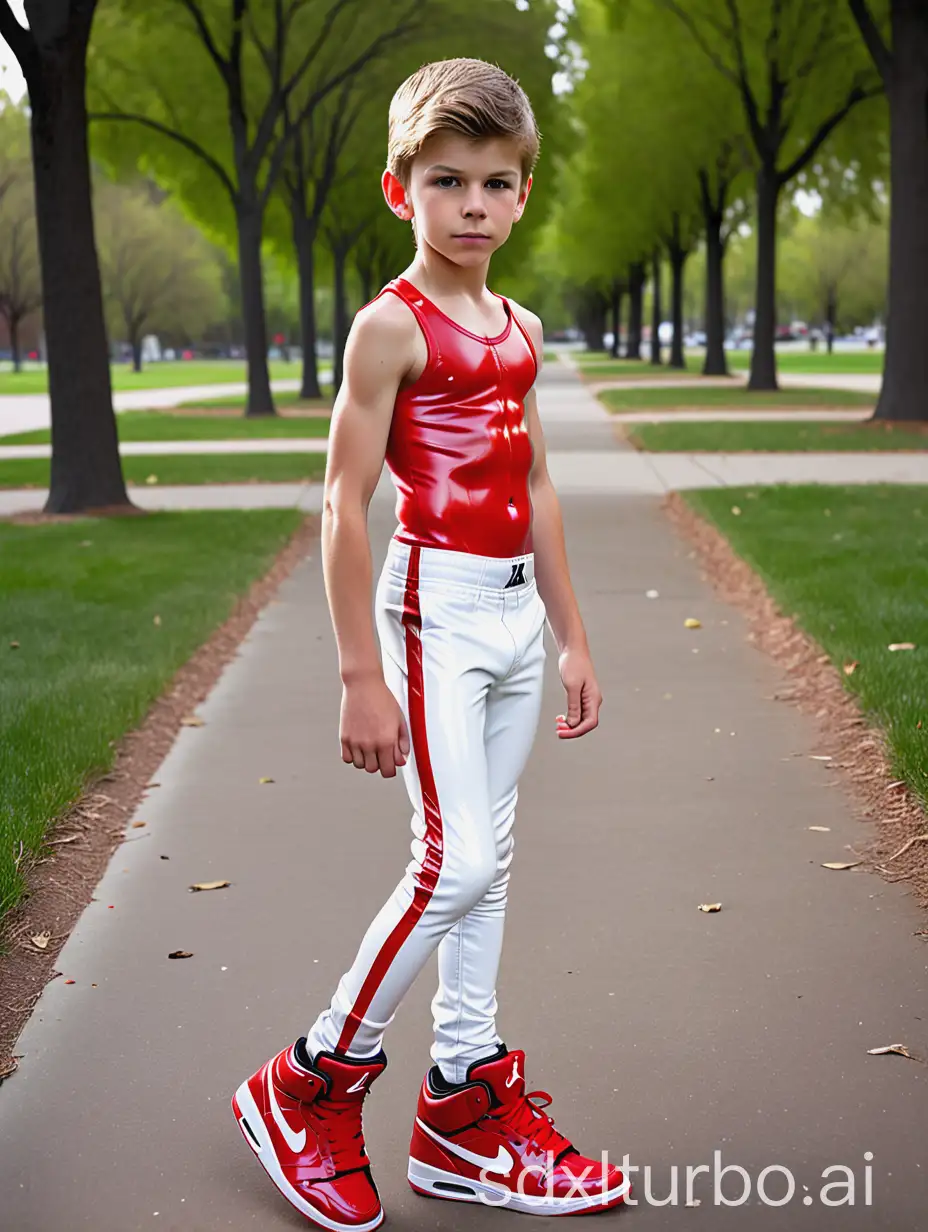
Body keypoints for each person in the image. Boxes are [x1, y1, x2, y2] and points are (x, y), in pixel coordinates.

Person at [231, 57, 631, 1228]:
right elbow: (340, 504)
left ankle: (461, 1104)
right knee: (453, 860)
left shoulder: (518, 327)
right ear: (401, 190)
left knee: (490, 860)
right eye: (447, 179)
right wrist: (360, 669)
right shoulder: (386, 329)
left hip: (514, 612)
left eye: (497, 182)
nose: (473, 203)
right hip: (432, 609)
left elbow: (541, 483)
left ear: (521, 196)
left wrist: (573, 635)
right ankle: (307, 1080)